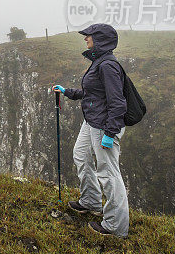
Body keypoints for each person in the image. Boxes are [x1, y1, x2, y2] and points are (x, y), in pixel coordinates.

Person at [51, 23, 129, 238]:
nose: (86, 39)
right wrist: (68, 92)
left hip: (104, 126)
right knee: (80, 155)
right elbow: (92, 93)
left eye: (89, 36)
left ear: (100, 39)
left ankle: (116, 226)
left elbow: (118, 102)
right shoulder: (99, 62)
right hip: (91, 122)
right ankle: (91, 201)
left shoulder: (107, 66)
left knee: (109, 173)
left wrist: (110, 133)